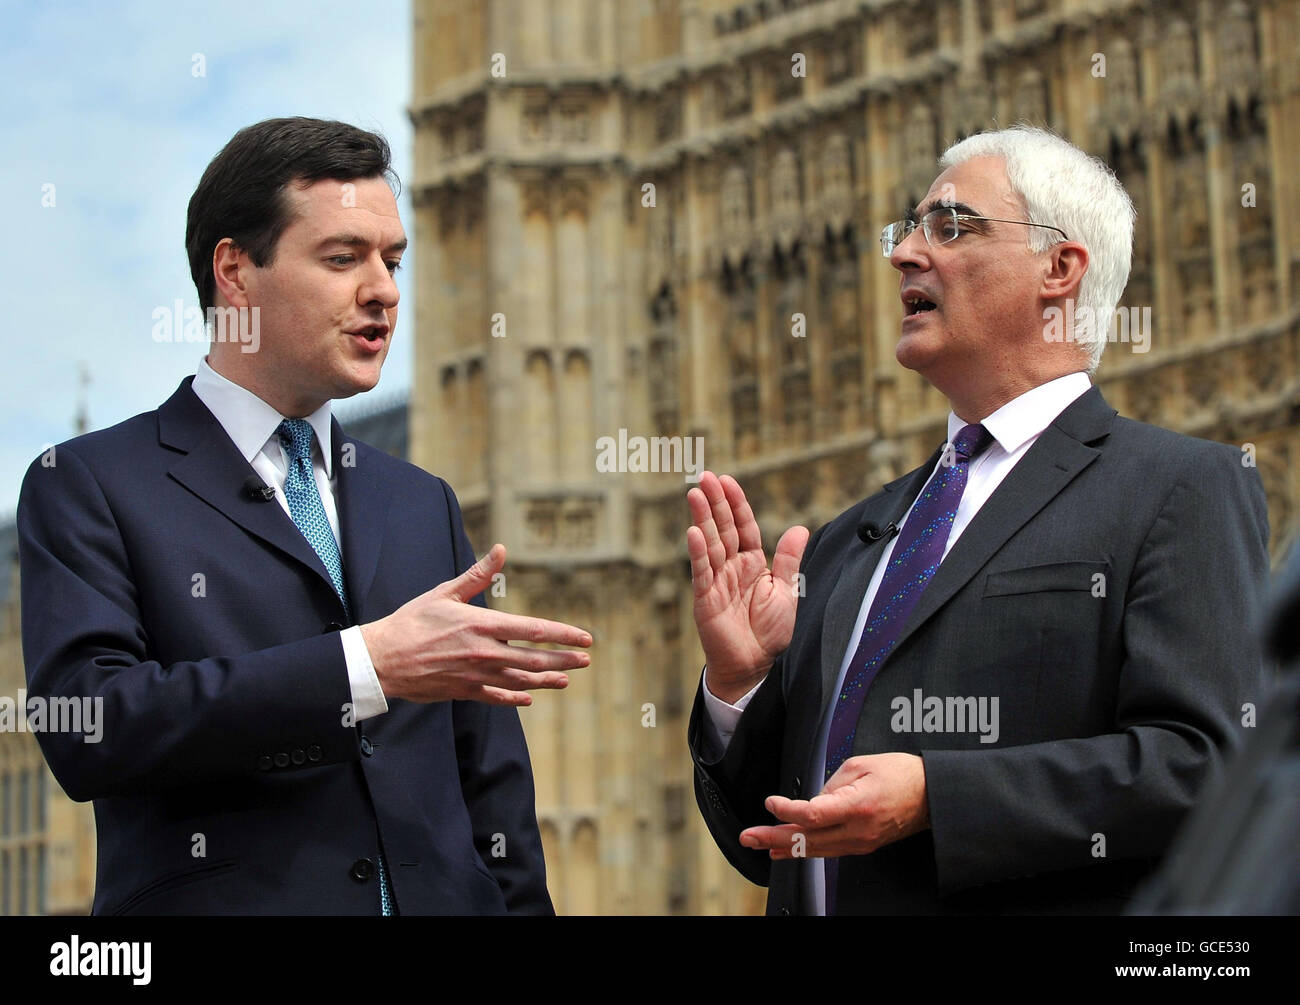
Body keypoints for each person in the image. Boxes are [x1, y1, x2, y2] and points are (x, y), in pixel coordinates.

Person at [686, 125, 1270, 914]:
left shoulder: (1176, 487)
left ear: (1059, 269)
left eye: (951, 227)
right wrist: (737, 685)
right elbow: (770, 842)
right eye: (909, 228)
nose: (903, 254)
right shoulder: (849, 538)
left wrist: (940, 796)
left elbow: (1209, 767)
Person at [18, 117, 592, 915]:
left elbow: (492, 794)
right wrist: (363, 668)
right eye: (342, 257)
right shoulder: (91, 483)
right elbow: (90, 727)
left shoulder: (420, 501)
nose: (385, 288)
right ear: (235, 272)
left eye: (392, 260)